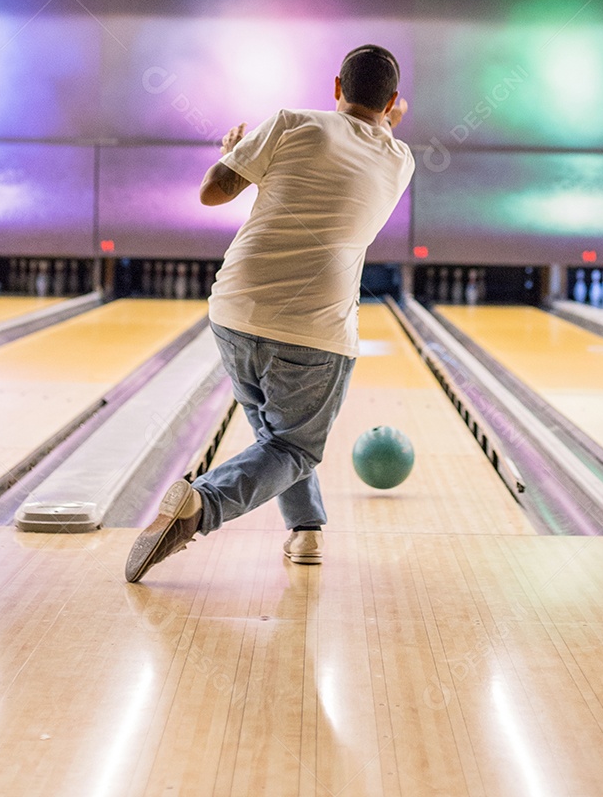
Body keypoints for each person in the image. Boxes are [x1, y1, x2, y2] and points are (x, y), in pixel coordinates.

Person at [125, 44, 414, 583]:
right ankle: (200, 507)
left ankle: (305, 530)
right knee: (294, 447)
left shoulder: (288, 123)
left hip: (233, 309)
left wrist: (236, 154)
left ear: (334, 87)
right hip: (315, 332)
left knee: (274, 438)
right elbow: (377, 133)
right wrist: (389, 117)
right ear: (393, 101)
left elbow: (213, 193)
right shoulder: (400, 159)